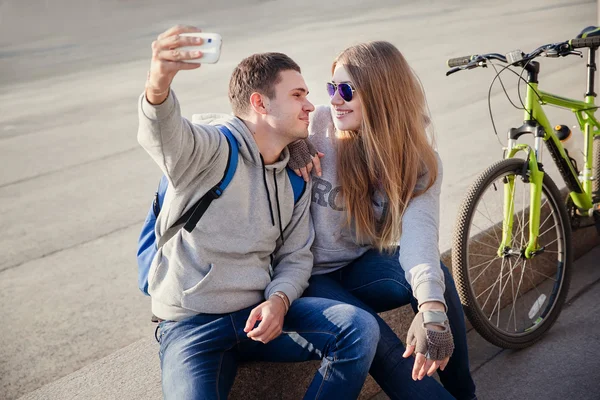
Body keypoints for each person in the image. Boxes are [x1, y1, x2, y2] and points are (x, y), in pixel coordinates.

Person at [138, 25, 380, 400]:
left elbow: (296, 257)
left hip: (261, 317)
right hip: (191, 327)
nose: (311, 106)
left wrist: (279, 301)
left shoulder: (294, 177)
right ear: (260, 103)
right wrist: (158, 84)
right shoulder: (212, 150)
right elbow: (165, 135)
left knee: (359, 329)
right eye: (297, 95)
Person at [288, 41, 477, 400]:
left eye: (346, 90)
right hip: (305, 276)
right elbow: (227, 123)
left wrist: (432, 312)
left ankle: (465, 391)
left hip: (358, 267)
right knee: (385, 347)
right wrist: (284, 140)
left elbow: (418, 236)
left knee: (435, 280)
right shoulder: (316, 125)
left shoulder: (416, 160)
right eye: (332, 88)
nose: (335, 99)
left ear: (382, 95)